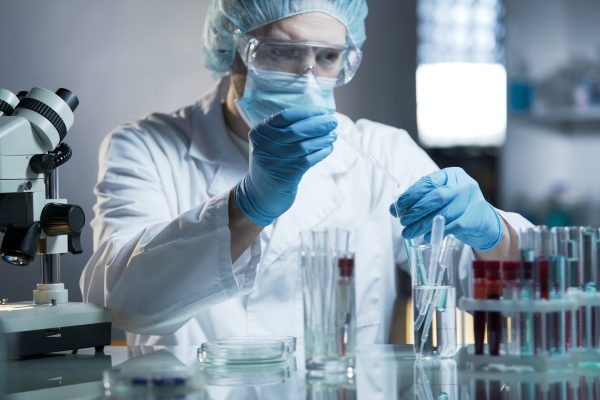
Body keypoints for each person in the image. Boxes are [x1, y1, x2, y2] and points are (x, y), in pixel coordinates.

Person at [80, 0, 531, 346]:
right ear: (231, 50)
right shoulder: (145, 145)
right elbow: (121, 302)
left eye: (329, 57)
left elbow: (505, 293)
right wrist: (248, 206)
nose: (308, 77)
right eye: (281, 52)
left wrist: (493, 235)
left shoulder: (382, 151)